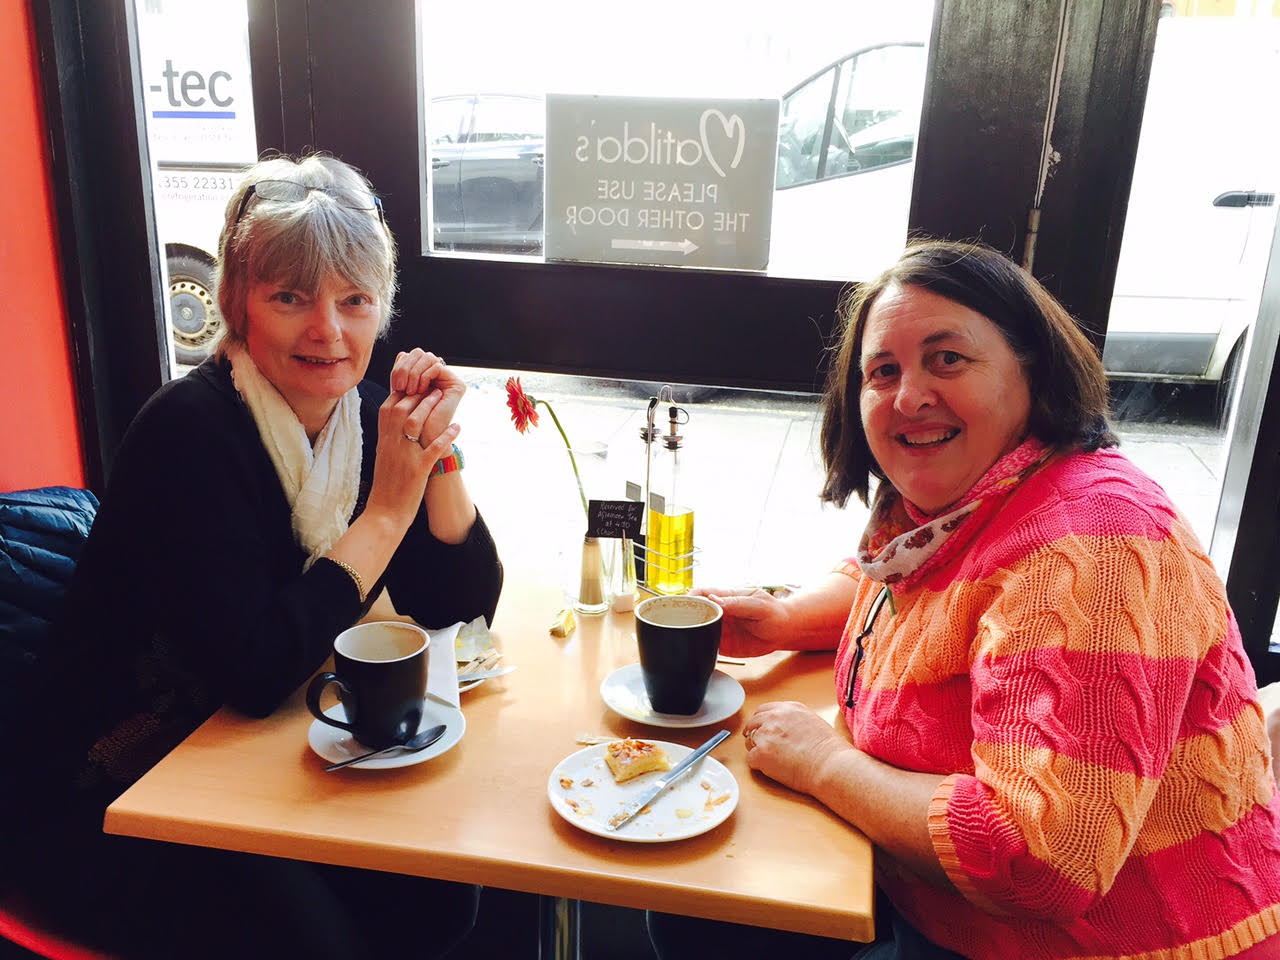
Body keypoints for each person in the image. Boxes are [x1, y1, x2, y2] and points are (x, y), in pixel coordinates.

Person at [650, 239, 1280, 960]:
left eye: (947, 358)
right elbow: (899, 584)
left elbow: (1039, 860)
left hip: (1106, 946)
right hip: (940, 910)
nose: (908, 396)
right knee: (692, 919)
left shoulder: (1093, 543)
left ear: (1032, 367)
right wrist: (787, 619)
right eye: (883, 371)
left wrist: (824, 764)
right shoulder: (967, 496)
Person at [17, 154, 503, 959]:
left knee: (440, 895)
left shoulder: (358, 417)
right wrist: (386, 511)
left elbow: (458, 610)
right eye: (290, 298)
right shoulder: (188, 434)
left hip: (253, 755)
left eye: (354, 300)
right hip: (118, 785)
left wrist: (435, 452)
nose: (328, 331)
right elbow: (256, 670)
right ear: (237, 304)